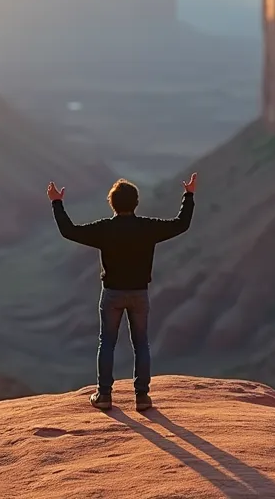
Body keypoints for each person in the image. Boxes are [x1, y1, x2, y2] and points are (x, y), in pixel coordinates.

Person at [47, 173, 196, 412]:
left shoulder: (105, 229)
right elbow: (181, 224)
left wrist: (56, 202)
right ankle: (142, 397)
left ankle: (104, 395)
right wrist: (188, 195)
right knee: (141, 344)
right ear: (136, 203)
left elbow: (69, 231)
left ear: (112, 203)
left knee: (107, 343)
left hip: (112, 294)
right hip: (139, 293)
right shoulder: (147, 228)